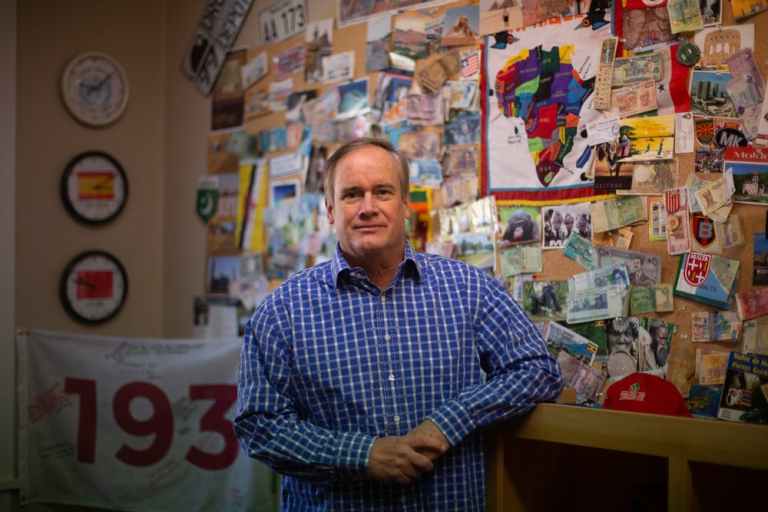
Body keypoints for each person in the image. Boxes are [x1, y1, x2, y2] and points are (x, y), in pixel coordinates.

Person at [235, 138, 563, 511]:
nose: (368, 208)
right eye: (352, 195)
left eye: (383, 192)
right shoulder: (282, 312)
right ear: (329, 210)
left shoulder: (469, 289)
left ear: (405, 204)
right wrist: (361, 455)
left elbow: (537, 370)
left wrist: (449, 422)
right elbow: (259, 426)